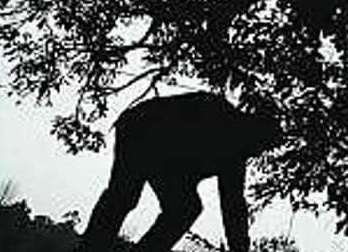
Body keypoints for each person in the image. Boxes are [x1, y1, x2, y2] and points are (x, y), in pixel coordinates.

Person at [80, 91, 281, 252]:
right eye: (262, 145)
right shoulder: (226, 130)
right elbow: (232, 204)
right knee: (125, 197)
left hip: (164, 151)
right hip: (144, 129)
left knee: (183, 208)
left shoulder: (236, 149)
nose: (258, 152)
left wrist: (240, 247)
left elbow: (233, 207)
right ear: (256, 130)